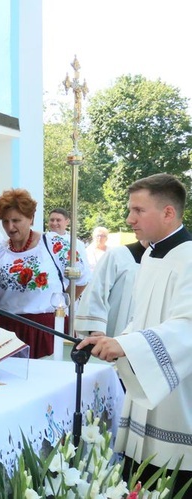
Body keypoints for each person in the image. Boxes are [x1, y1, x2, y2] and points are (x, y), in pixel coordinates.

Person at [77, 174, 192, 490]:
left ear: (168, 212)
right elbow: (139, 320)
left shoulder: (189, 258)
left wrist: (127, 346)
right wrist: (113, 340)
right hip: (144, 392)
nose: (129, 219)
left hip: (177, 401)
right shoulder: (153, 257)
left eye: (138, 211)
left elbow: (187, 328)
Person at [0, 189, 90, 358]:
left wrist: (63, 303)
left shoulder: (54, 244)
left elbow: (82, 278)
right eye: (5, 221)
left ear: (31, 218)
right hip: (9, 331)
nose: (10, 227)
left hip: (47, 329)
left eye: (16, 220)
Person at [73, 240, 146, 338]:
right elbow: (95, 293)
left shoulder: (171, 261)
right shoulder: (118, 255)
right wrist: (96, 329)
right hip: (115, 334)